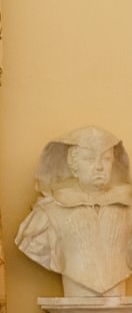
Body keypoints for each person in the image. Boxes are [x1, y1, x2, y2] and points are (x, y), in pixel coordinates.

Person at [16, 125, 132, 297]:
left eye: (106, 159)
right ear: (74, 166)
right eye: (89, 159)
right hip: (75, 294)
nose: (99, 166)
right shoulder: (50, 210)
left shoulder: (127, 208)